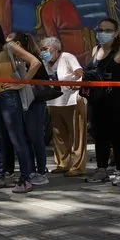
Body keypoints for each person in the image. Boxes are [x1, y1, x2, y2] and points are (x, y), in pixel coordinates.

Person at [0, 19, 41, 193]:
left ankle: (25, 179)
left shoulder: (10, 47)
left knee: (17, 138)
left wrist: (21, 83)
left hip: (8, 97)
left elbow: (35, 62)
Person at [84, 18, 120, 186]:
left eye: (108, 30)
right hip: (96, 101)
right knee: (99, 136)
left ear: (116, 32)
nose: (103, 33)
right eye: (100, 29)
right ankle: (101, 170)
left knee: (117, 137)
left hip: (116, 100)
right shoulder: (96, 49)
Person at [6, 32, 50, 186]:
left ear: (18, 44)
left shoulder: (31, 57)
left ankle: (42, 171)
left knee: (36, 136)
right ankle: (30, 170)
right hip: (21, 101)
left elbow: (37, 69)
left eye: (9, 43)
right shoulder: (13, 59)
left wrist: (23, 82)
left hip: (34, 101)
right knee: (24, 137)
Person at [40, 37, 87, 177]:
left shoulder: (67, 57)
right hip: (54, 102)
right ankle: (63, 163)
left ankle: (77, 166)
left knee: (76, 134)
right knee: (59, 134)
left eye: (46, 49)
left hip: (72, 100)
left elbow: (81, 75)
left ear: (56, 49)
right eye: (41, 49)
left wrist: (77, 84)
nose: (43, 52)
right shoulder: (45, 62)